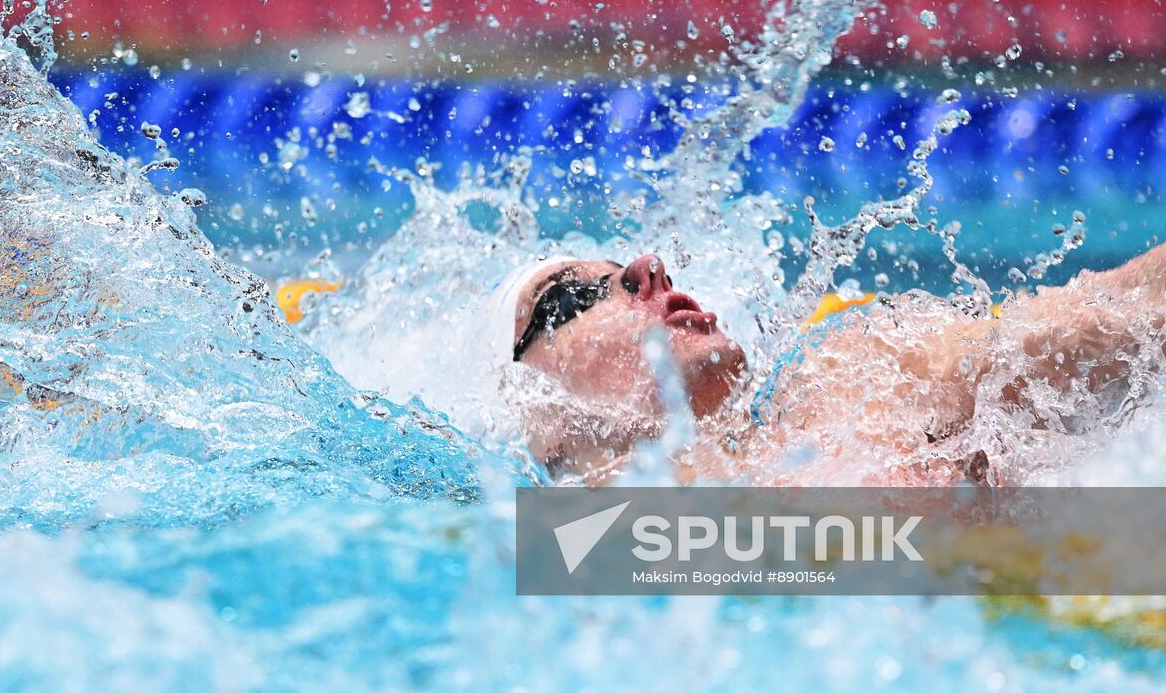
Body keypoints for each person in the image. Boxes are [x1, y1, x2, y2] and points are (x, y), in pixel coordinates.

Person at [489, 245, 1166, 485]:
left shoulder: (860, 370)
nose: (649, 268)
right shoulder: (573, 557)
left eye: (635, 267)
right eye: (572, 297)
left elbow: (1124, 306)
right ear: (537, 415)